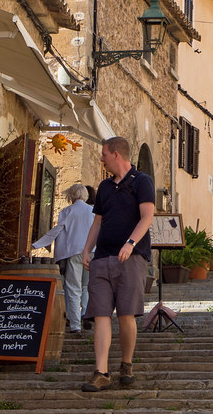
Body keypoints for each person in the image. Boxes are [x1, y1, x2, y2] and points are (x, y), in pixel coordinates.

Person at [80, 136, 155, 392]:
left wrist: (130, 244)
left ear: (116, 155)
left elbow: (147, 218)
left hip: (131, 259)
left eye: (103, 154)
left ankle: (126, 364)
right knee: (100, 314)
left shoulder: (142, 182)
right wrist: (87, 249)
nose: (101, 158)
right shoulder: (103, 187)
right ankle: (101, 372)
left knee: (125, 316)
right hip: (102, 259)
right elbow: (97, 222)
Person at [31, 183, 95, 333]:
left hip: (74, 252)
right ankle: (85, 313)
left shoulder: (67, 211)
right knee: (87, 286)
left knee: (73, 289)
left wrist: (38, 244)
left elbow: (58, 231)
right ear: (85, 196)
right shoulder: (93, 211)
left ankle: (75, 325)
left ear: (71, 196)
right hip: (92, 252)